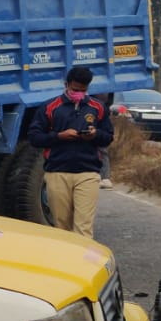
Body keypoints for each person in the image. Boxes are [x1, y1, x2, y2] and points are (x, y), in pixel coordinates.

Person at [27, 66, 114, 239]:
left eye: (83, 90)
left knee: (83, 229)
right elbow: (34, 137)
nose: (78, 93)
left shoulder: (98, 107)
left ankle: (83, 265)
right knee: (61, 228)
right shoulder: (49, 107)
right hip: (57, 173)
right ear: (66, 84)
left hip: (88, 174)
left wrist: (95, 135)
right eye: (75, 89)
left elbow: (108, 137)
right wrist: (59, 136)